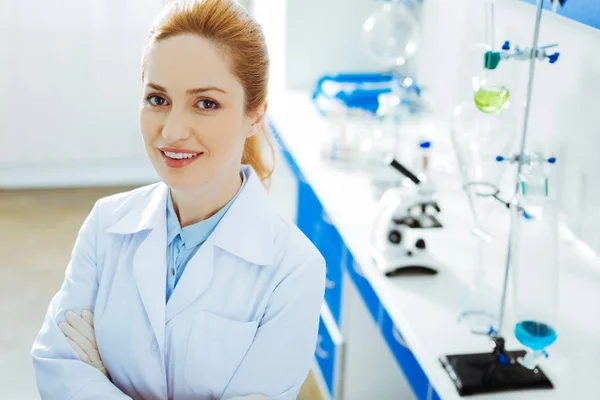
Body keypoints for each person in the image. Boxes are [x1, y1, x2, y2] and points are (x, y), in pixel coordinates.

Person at [31, 0, 326, 399]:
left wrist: (104, 381)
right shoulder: (107, 224)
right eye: (157, 99)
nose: (171, 131)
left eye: (206, 103)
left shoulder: (294, 270)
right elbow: (57, 366)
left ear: (254, 115)